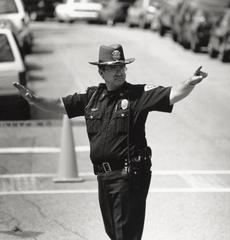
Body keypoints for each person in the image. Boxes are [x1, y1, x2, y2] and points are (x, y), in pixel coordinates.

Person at [13, 43, 208, 240]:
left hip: (128, 176)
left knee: (124, 235)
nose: (119, 72)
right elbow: (60, 105)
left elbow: (172, 94)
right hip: (104, 177)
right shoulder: (91, 97)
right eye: (113, 68)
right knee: (115, 234)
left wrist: (190, 82)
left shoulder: (137, 95)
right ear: (101, 72)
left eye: (121, 67)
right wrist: (35, 100)